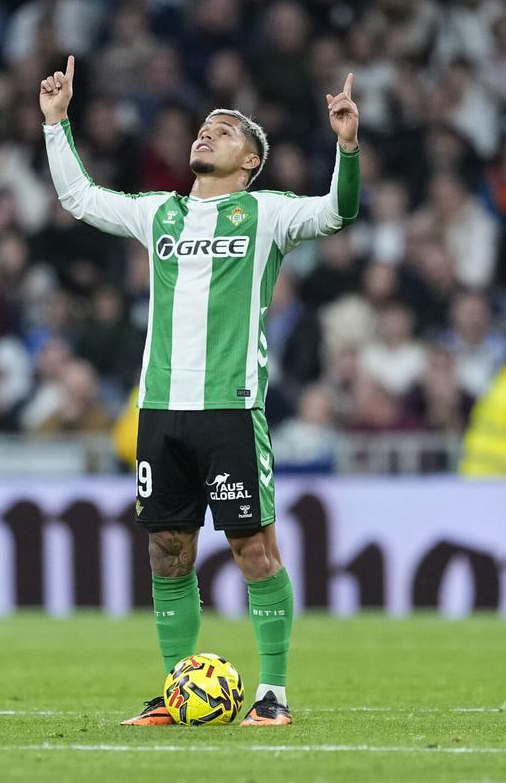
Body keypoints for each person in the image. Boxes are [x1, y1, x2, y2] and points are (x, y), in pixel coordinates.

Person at [39, 56, 360, 727]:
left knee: (253, 548)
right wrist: (56, 124)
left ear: (251, 161)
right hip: (159, 409)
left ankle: (272, 693)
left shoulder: (266, 215)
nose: (207, 133)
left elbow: (337, 213)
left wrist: (347, 147)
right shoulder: (159, 214)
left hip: (231, 409)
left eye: (226, 130)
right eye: (205, 126)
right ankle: (174, 691)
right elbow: (79, 198)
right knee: (167, 552)